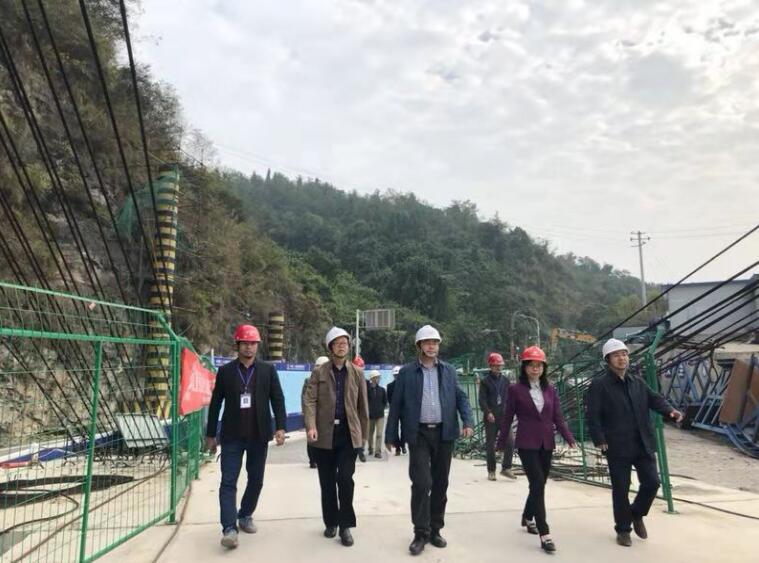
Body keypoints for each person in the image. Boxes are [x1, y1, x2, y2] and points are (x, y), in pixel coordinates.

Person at [385, 325, 474, 556]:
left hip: (444, 434)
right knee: (422, 483)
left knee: (441, 483)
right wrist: (391, 435)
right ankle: (420, 532)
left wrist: (468, 421)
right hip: (419, 434)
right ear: (419, 346)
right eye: (427, 342)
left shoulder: (449, 371)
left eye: (435, 342)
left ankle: (435, 529)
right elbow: (396, 405)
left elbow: (461, 398)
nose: (432, 346)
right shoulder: (407, 373)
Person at [586, 339, 683, 547]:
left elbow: (655, 399)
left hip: (642, 442)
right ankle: (623, 530)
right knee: (621, 488)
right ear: (608, 360)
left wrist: (670, 411)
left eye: (624, 354)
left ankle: (636, 513)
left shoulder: (637, 382)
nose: (622, 358)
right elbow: (592, 415)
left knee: (652, 482)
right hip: (617, 445)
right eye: (616, 355)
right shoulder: (600, 385)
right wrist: (599, 439)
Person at [206, 324, 287, 549]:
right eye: (245, 343)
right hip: (232, 436)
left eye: (253, 344)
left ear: (257, 346)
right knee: (228, 481)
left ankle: (245, 515)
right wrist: (211, 434)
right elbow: (216, 403)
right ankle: (229, 528)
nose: (249, 347)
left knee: (256, 480)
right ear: (238, 345)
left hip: (258, 436)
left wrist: (281, 427)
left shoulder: (267, 370)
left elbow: (277, 399)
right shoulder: (226, 372)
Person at [497, 345, 575, 553]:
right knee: (538, 483)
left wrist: (568, 437)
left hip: (546, 443)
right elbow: (507, 417)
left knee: (538, 485)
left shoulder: (551, 389)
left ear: (544, 368)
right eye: (531, 365)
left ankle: (527, 516)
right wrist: (501, 442)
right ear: (524, 367)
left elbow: (558, 417)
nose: (535, 369)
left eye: (539, 365)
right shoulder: (515, 390)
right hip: (526, 443)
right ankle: (545, 533)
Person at [304, 327, 369, 547]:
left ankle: (345, 526)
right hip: (324, 435)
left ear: (348, 347)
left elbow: (363, 407)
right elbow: (310, 401)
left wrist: (362, 438)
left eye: (345, 343)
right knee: (327, 481)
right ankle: (330, 522)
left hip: (348, 435)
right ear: (330, 347)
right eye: (337, 343)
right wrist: (311, 426)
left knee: (345, 480)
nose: (342, 346)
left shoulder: (357, 373)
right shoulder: (319, 372)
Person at [478, 352, 516, 481]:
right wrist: (488, 412)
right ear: (491, 366)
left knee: (510, 441)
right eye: (496, 365)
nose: (498, 368)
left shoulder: (505, 381)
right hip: (491, 417)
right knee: (491, 444)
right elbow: (482, 400)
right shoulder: (485, 382)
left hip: (504, 416)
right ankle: (491, 471)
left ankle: (506, 468)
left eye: (500, 365)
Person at [302, 356, 330, 468]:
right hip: (311, 413)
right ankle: (312, 460)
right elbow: (305, 399)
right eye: (319, 366)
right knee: (311, 437)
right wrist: (306, 413)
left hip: (324, 414)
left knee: (323, 438)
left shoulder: (330, 380)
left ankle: (321, 459)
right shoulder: (308, 380)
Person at [366, 370, 388, 458]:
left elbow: (385, 402)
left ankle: (377, 452)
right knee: (369, 434)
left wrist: (381, 409)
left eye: (379, 377)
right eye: (377, 377)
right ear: (372, 379)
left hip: (380, 416)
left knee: (379, 434)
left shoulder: (382, 390)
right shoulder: (367, 390)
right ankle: (370, 448)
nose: (378, 379)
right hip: (370, 416)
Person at [386, 366, 406, 455]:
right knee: (394, 430)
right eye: (395, 375)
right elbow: (389, 398)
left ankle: (403, 445)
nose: (396, 376)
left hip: (404, 410)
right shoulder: (390, 386)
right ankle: (397, 448)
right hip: (394, 410)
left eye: (398, 375)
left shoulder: (406, 385)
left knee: (404, 428)